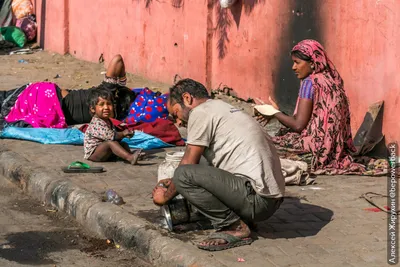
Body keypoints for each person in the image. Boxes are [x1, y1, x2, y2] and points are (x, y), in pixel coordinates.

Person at [152, 79, 285, 251]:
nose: (178, 122)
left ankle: (234, 226)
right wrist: (172, 183)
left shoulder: (200, 112)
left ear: (187, 98)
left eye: (176, 113)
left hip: (258, 201)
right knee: (193, 168)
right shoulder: (222, 107)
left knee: (183, 175)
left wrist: (164, 197)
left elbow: (188, 164)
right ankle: (242, 218)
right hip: (271, 199)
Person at [257, 39, 359, 173]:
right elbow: (310, 120)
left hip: (316, 150)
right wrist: (278, 112)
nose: (294, 67)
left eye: (297, 63)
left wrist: (273, 112)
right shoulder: (332, 81)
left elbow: (299, 125)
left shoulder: (310, 83)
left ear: (312, 63)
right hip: (334, 150)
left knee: (261, 145)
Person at [83, 88, 141, 164]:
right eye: (101, 104)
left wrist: (126, 134)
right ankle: (130, 158)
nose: (106, 107)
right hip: (93, 154)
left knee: (123, 144)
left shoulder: (108, 121)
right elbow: (112, 136)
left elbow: (115, 136)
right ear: (93, 109)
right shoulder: (96, 123)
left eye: (109, 104)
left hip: (104, 151)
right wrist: (123, 133)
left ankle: (130, 155)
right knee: (110, 143)